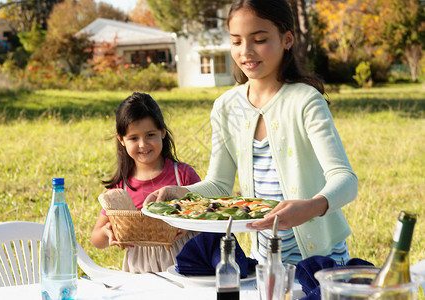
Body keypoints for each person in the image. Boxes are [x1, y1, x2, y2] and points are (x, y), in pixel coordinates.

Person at [144, 0, 358, 265]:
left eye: (258, 39)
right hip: (265, 257)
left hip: (321, 257)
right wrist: (180, 193)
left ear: (287, 39)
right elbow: (219, 184)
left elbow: (345, 179)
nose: (246, 51)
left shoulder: (305, 100)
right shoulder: (226, 106)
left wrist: (311, 207)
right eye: (236, 42)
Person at [91, 92, 201, 273]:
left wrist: (188, 222)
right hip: (140, 269)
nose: (143, 144)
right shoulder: (121, 188)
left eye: (150, 134)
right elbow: (96, 238)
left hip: (186, 262)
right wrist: (107, 233)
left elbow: (210, 213)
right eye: (133, 138)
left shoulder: (182, 175)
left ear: (163, 132)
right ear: (121, 140)